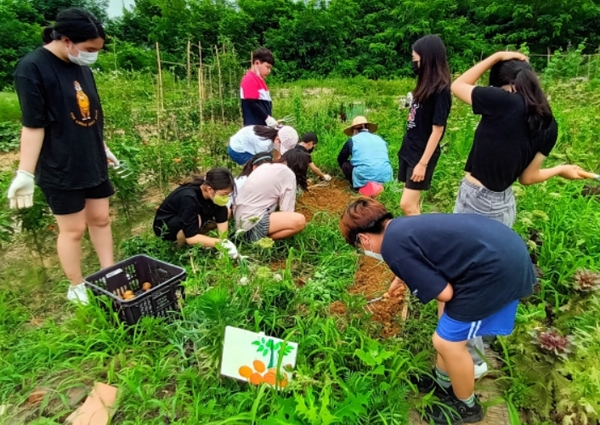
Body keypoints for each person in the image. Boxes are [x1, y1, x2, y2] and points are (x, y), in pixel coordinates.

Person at [339, 198, 536, 425]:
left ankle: (467, 405)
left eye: (359, 246)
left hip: (496, 271)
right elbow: (426, 253)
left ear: (363, 239)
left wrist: (414, 277)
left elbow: (445, 294)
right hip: (501, 250)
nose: (364, 250)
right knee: (445, 324)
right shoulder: (400, 227)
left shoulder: (392, 248)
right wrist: (403, 276)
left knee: (446, 342)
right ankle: (442, 381)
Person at [451, 51, 585, 375]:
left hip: (477, 201)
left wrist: (494, 56)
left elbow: (457, 85)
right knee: (485, 276)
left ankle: (472, 362)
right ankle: (478, 344)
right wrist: (562, 169)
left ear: (505, 85)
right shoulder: (547, 122)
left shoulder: (503, 101)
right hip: (503, 204)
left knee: (465, 282)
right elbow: (527, 178)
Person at [6, 8, 119, 305]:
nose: (93, 55)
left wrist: (103, 147)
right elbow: (33, 124)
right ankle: (76, 285)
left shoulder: (81, 67)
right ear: (67, 40)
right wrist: (25, 173)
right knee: (73, 229)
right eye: (90, 49)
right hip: (60, 162)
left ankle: (110, 272)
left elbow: (92, 114)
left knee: (101, 218)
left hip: (90, 155)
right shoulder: (32, 68)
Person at [398, 35, 451, 216]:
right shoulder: (424, 85)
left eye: (416, 60)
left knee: (406, 205)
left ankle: (420, 239)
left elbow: (438, 130)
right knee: (413, 202)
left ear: (428, 59)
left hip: (421, 154)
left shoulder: (441, 90)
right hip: (410, 148)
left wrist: (422, 164)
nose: (414, 64)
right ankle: (418, 234)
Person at [153, 168, 239, 259]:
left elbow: (222, 220)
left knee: (227, 211)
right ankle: (179, 249)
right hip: (166, 225)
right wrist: (219, 244)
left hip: (192, 217)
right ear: (209, 189)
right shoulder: (189, 198)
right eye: (224, 194)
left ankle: (201, 239)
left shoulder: (215, 195)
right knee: (196, 220)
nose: (225, 197)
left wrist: (224, 241)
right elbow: (191, 238)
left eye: (228, 194)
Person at [234, 149, 310, 242]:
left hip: (239, 222)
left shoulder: (264, 166)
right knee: (299, 221)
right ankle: (263, 241)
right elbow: (287, 212)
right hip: (251, 226)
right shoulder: (288, 173)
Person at [337, 116, 393, 191]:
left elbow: (341, 159)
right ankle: (383, 185)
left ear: (354, 130)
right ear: (368, 128)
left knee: (345, 164)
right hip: (386, 176)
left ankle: (358, 187)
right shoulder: (379, 138)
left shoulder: (353, 140)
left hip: (365, 177)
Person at [240, 47, 278, 127]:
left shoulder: (260, 80)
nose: (269, 71)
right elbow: (252, 103)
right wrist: (267, 118)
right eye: (267, 67)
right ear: (257, 63)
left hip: (261, 127)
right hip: (254, 128)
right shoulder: (250, 79)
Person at [228, 125, 298, 165]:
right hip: (238, 151)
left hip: (247, 142)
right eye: (282, 146)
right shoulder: (264, 144)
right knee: (256, 169)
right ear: (277, 140)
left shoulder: (275, 131)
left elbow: (277, 152)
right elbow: (261, 162)